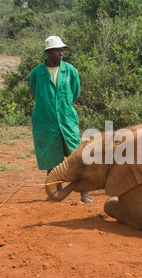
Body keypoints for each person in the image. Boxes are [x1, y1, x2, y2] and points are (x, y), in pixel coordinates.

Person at [29, 36, 94, 203]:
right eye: (57, 50)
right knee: (51, 158)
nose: (61, 53)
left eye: (62, 49)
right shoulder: (37, 73)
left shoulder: (70, 71)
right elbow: (34, 91)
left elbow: (75, 92)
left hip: (67, 121)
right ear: (48, 52)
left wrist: (63, 107)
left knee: (77, 157)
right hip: (45, 122)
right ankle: (54, 192)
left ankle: (84, 193)